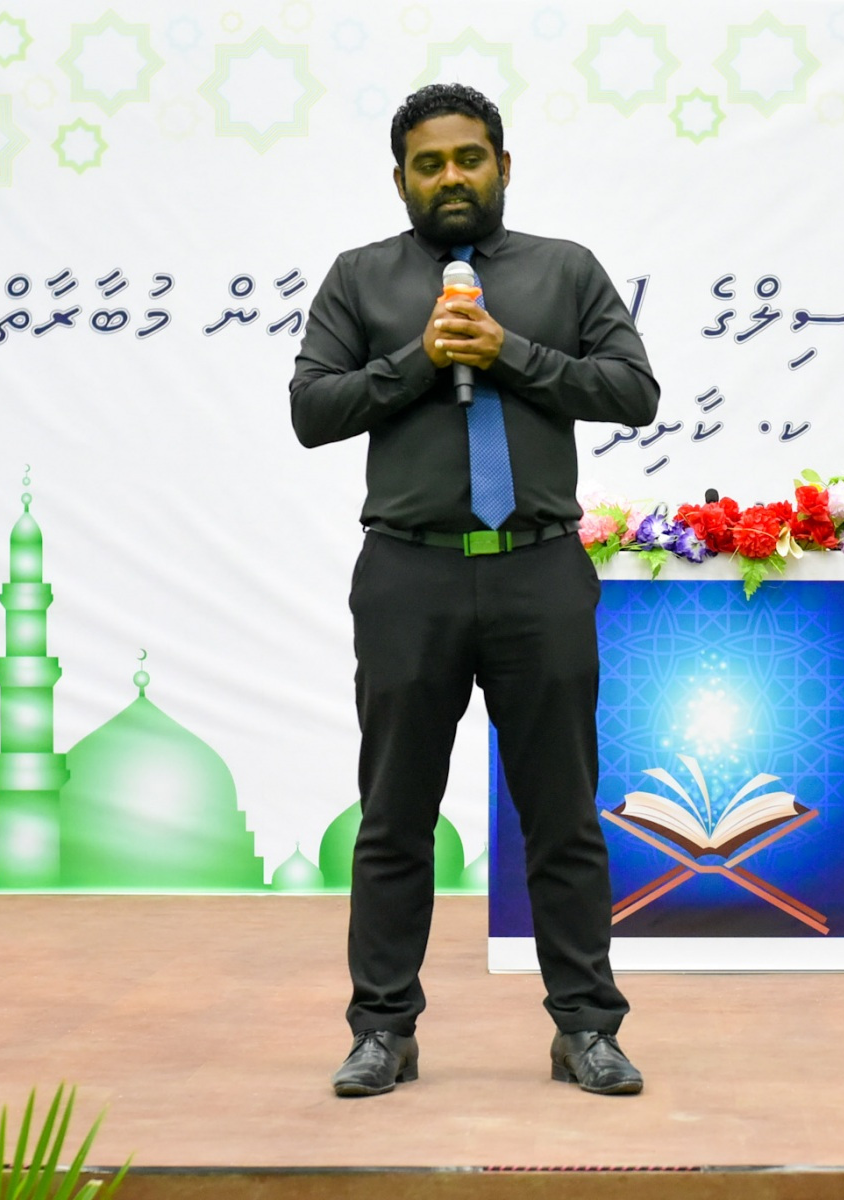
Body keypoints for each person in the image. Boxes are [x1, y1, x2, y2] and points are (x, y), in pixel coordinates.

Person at [289, 83, 659, 1097]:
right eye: (429, 163)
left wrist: (511, 353)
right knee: (394, 817)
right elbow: (312, 410)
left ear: (502, 165)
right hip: (408, 575)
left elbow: (634, 391)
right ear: (400, 179)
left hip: (540, 571)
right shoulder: (359, 279)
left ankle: (586, 1029)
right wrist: (419, 360)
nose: (450, 177)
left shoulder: (563, 270)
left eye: (468, 158)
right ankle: (382, 1032)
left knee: (562, 817)